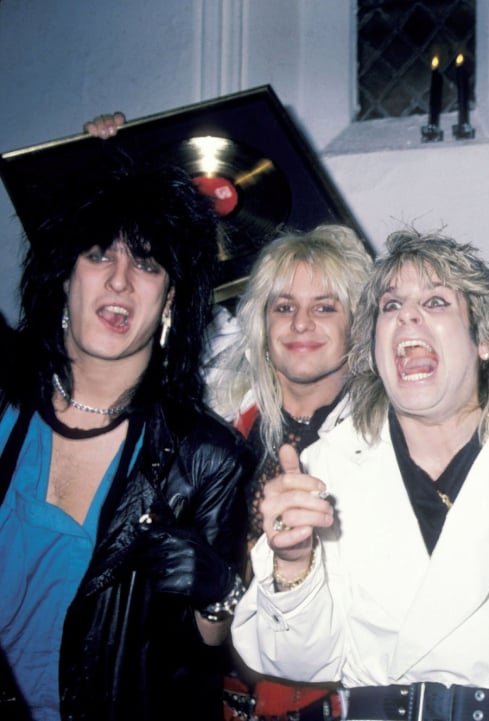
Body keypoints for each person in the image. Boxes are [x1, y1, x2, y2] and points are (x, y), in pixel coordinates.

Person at [232, 229, 489, 721]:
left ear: (485, 341)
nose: (407, 315)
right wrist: (295, 565)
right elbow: (296, 661)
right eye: (390, 306)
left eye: (436, 301)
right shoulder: (328, 466)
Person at [0, 159, 254, 721]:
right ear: (65, 278)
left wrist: (218, 591)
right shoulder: (4, 402)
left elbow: (200, 664)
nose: (119, 279)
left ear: (169, 302)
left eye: (145, 263)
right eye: (98, 255)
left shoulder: (207, 459)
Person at [210, 224, 373, 720]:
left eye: (325, 307)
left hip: (349, 699)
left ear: (358, 325)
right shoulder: (223, 427)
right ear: (261, 323)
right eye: (284, 307)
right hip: (228, 694)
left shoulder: (392, 438)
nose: (301, 323)